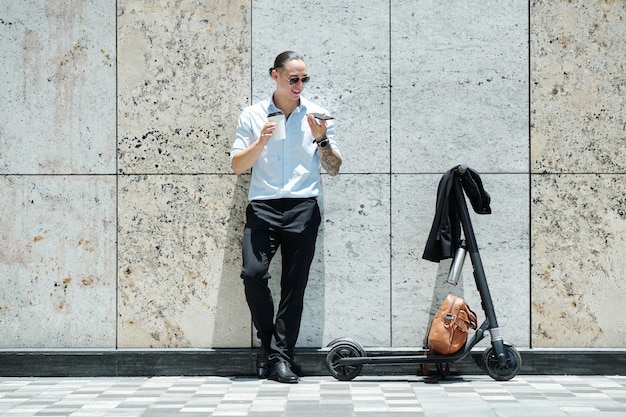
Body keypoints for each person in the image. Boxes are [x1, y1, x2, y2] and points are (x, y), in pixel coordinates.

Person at [230, 51, 342, 383]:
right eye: (293, 78)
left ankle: (280, 357)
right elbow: (237, 165)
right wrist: (261, 142)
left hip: (302, 208)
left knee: (295, 287)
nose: (299, 85)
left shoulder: (317, 114)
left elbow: (334, 168)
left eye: (304, 79)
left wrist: (321, 138)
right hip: (263, 207)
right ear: (275, 76)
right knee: (253, 274)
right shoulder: (253, 115)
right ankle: (271, 348)